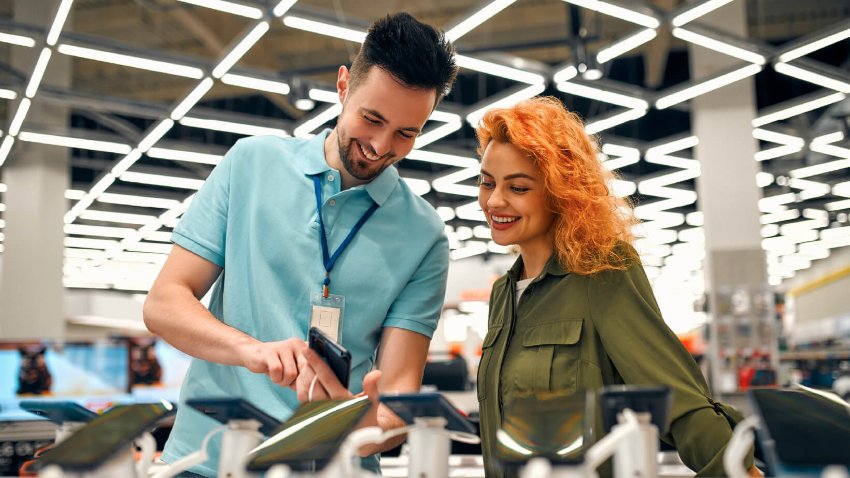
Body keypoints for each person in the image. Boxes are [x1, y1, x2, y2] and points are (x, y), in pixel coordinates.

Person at [143, 12, 457, 477]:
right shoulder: (251, 163)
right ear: (343, 85)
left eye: (406, 133)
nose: (381, 144)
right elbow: (164, 304)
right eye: (372, 118)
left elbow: (396, 404)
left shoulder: (425, 235)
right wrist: (250, 350)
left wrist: (356, 418)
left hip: (332, 467)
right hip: (206, 460)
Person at [474, 96, 757, 477]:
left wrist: (737, 469)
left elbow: (676, 395)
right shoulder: (502, 295)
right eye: (487, 182)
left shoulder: (602, 272)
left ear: (561, 192)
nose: (494, 200)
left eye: (519, 188)